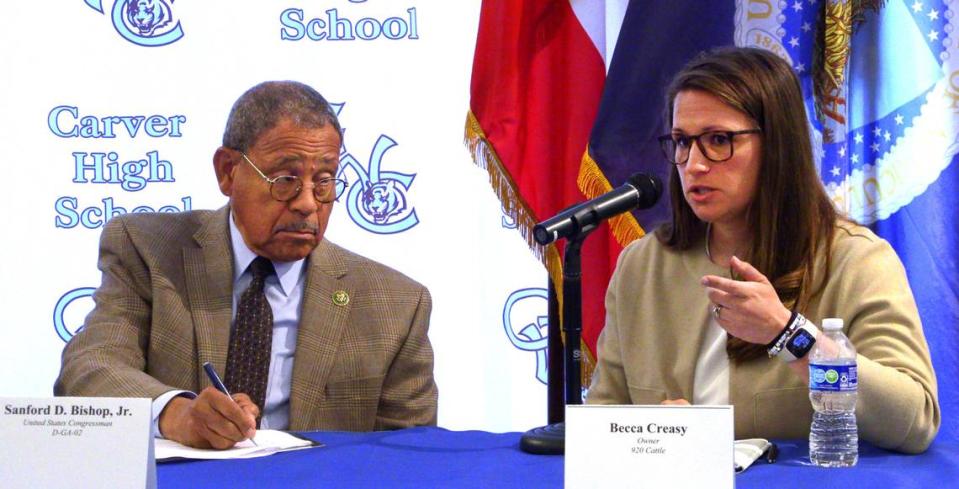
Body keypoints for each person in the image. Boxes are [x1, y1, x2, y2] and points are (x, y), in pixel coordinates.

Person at [586, 47, 940, 453]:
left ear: (776, 146)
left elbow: (915, 421)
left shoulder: (856, 261)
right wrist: (656, 434)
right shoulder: (643, 265)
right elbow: (605, 418)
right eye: (682, 142)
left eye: (719, 140)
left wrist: (790, 335)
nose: (694, 164)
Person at [55, 81, 438, 449]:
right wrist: (177, 413)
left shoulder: (396, 305)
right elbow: (90, 367)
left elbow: (410, 453)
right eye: (285, 179)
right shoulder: (150, 251)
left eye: (324, 181)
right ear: (228, 171)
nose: (308, 203)